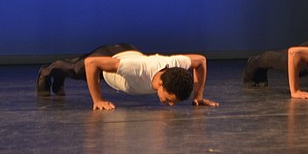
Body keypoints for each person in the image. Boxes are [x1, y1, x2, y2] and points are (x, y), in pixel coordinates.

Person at [36, 43, 219, 110]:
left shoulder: (177, 65)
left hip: (129, 53)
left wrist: (198, 96)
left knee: (74, 72)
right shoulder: (137, 70)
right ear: (161, 83)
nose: (170, 104)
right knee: (76, 69)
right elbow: (92, 63)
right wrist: (97, 99)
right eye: (169, 99)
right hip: (111, 56)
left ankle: (59, 78)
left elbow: (201, 60)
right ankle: (47, 71)